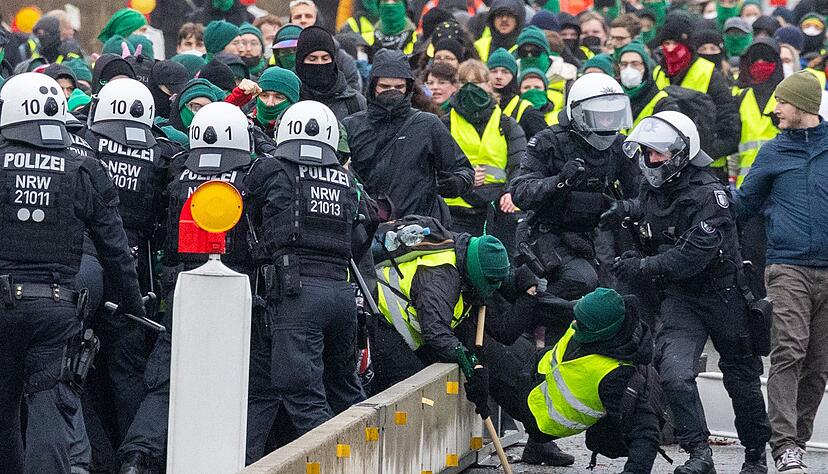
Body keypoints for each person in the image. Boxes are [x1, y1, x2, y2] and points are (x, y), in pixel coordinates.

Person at [602, 111, 771, 474]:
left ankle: (756, 454)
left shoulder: (710, 195)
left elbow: (691, 255)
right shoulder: (654, 189)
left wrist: (643, 267)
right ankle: (698, 451)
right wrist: (621, 209)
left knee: (741, 376)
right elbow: (649, 211)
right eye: (646, 154)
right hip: (682, 298)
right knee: (674, 372)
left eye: (658, 154)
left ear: (680, 154)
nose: (651, 161)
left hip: (724, 296)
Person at [0, 72, 146, 474]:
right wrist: (132, 306)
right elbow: (115, 250)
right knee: (50, 412)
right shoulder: (86, 168)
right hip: (56, 311)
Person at [118, 102, 255, 473]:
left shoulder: (179, 170)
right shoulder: (250, 174)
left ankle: (137, 454)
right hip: (234, 287)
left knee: (168, 376)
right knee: (239, 377)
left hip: (181, 286)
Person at [244, 100, 366, 440]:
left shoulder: (271, 169)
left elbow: (245, 212)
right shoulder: (345, 177)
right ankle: (367, 457)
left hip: (295, 293)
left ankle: (337, 463)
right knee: (345, 388)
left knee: (303, 394)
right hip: (342, 294)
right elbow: (362, 227)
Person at [731, 71, 828, 473]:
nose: (775, 110)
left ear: (803, 105)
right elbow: (742, 205)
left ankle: (798, 443)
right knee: (789, 350)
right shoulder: (772, 152)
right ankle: (783, 443)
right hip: (788, 266)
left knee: (819, 364)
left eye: (781, 103)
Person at [78, 78, 183, 439]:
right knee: (127, 369)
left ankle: (94, 454)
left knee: (65, 367)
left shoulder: (86, 142)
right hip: (132, 268)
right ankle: (131, 452)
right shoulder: (162, 152)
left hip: (82, 261)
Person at [465, 288, 660, 473]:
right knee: (494, 327)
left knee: (473, 337)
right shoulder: (597, 320)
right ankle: (537, 449)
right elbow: (551, 307)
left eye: (580, 322)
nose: (574, 323)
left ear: (600, 332)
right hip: (533, 370)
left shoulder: (615, 376)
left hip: (534, 411)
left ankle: (538, 443)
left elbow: (646, 432)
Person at [510, 73, 638, 305]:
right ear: (579, 115)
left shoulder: (619, 147)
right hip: (548, 233)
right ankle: (527, 309)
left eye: (612, 116)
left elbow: (644, 196)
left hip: (595, 236)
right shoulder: (548, 141)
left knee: (616, 292)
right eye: (599, 117)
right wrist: (558, 181)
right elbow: (520, 192)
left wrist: (622, 207)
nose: (607, 123)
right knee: (581, 279)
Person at [345, 49, 473, 225]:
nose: (392, 92)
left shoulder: (428, 124)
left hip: (419, 230)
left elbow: (463, 170)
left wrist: (455, 183)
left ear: (408, 88)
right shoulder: (352, 126)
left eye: (399, 87)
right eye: (385, 87)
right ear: (373, 86)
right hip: (367, 229)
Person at [441, 60, 525, 249]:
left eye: (476, 82)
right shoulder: (444, 124)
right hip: (456, 208)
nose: (470, 88)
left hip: (497, 206)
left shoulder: (507, 124)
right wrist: (463, 178)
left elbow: (519, 164)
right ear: (457, 86)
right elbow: (436, 167)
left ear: (488, 85)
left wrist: (511, 192)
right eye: (464, 82)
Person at [653, 12, 740, 182]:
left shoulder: (709, 73)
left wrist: (702, 153)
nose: (670, 49)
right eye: (666, 43)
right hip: (664, 168)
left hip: (707, 170)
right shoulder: (657, 74)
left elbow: (730, 126)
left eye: (676, 44)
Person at [295, 26, 367, 120]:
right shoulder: (289, 97)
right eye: (312, 59)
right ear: (300, 61)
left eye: (325, 58)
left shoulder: (354, 102)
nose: (319, 63)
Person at [616, 42, 679, 131]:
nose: (628, 69)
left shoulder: (663, 102)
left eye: (635, 64)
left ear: (646, 67)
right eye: (624, 64)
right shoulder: (614, 96)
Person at [486, 47, 548, 138]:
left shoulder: (527, 112)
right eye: (493, 71)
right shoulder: (480, 105)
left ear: (514, 75)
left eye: (505, 72)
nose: (498, 76)